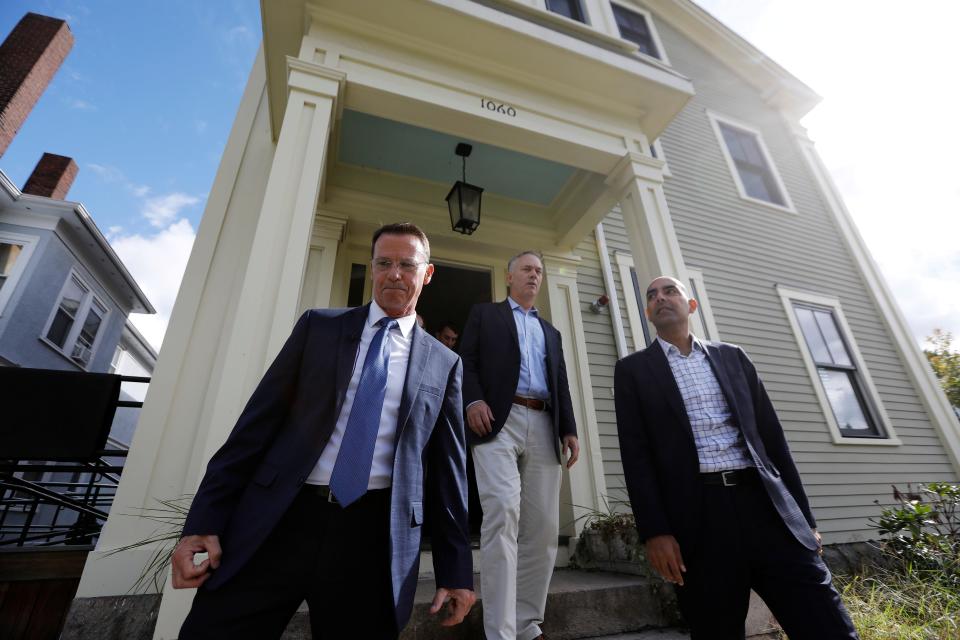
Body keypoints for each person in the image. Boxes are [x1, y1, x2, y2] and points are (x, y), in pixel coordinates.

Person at [171, 223, 475, 640]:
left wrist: (455, 570)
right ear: (372, 268)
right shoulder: (319, 328)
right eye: (384, 263)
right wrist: (203, 523)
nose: (394, 274)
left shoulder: (444, 363)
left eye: (407, 264)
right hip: (281, 519)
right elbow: (252, 431)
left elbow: (447, 474)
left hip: (372, 536)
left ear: (427, 273)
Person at [614, 276, 858, 640]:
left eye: (670, 291)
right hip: (698, 520)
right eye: (652, 295)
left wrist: (804, 519)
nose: (661, 298)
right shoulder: (633, 371)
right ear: (648, 312)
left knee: (826, 623)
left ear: (691, 305)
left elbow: (773, 441)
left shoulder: (733, 357)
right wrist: (656, 532)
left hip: (765, 508)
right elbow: (636, 457)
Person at [459, 250, 579, 640]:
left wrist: (569, 429)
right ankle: (500, 631)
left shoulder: (551, 332)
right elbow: (466, 361)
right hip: (498, 421)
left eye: (539, 271)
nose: (534, 275)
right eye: (527, 269)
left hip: (544, 422)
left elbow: (559, 381)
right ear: (509, 277)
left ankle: (527, 623)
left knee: (543, 527)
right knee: (503, 514)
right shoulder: (485, 315)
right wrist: (473, 400)